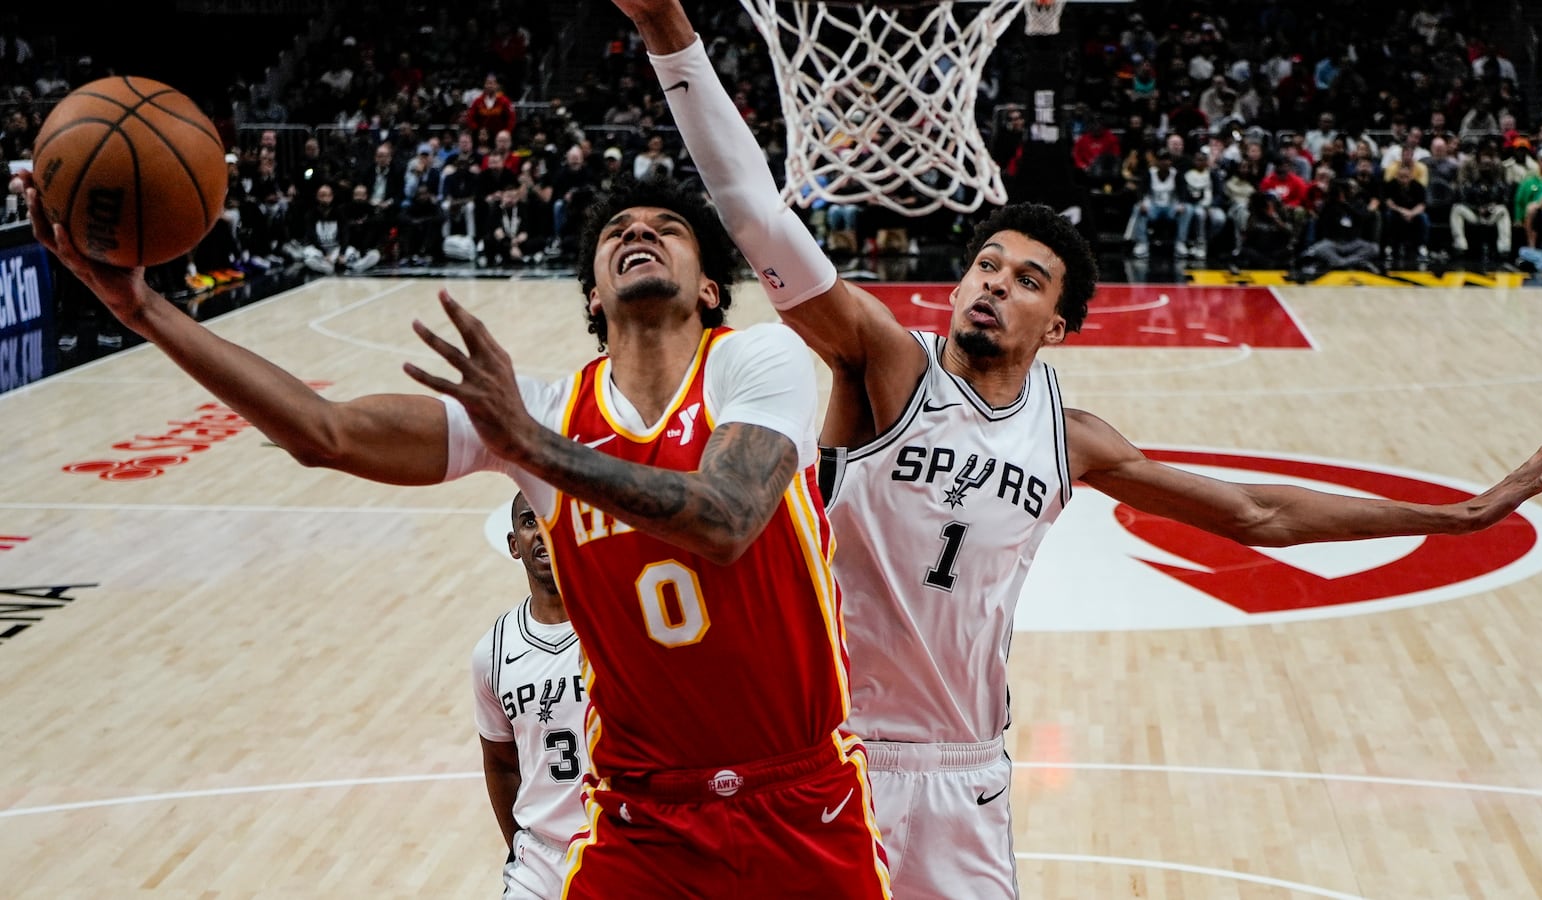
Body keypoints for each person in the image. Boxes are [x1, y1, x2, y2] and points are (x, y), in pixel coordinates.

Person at [620, 0, 1542, 896]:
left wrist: (1450, 517)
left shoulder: (1070, 439)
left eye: (1027, 278)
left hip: (966, 773)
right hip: (829, 754)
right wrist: (670, 29)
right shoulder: (884, 367)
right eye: (984, 266)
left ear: (1062, 325)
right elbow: (757, 215)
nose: (993, 284)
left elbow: (1260, 515)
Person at [20, 168, 893, 897]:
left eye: (669, 226)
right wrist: (144, 312)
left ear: (710, 287)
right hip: (644, 814)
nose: (641, 232)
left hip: (801, 797)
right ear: (592, 290)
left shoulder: (752, 362)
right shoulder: (543, 412)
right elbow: (322, 432)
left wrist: (531, 447)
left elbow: (730, 519)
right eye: (617, 228)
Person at [475, 492, 587, 899]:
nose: (540, 531)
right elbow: (501, 764)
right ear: (513, 543)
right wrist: (517, 848)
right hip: (538, 860)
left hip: (616, 849)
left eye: (550, 518)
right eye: (528, 521)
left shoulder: (616, 630)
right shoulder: (492, 651)